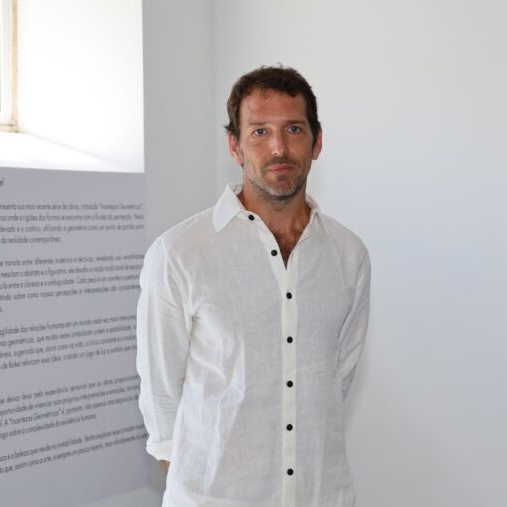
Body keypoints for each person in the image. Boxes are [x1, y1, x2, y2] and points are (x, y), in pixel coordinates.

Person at [136, 65, 371, 507]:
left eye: (294, 129)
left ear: (317, 142)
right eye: (260, 131)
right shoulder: (179, 254)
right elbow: (162, 403)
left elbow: (333, 382)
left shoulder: (349, 255)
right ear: (235, 145)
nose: (278, 147)